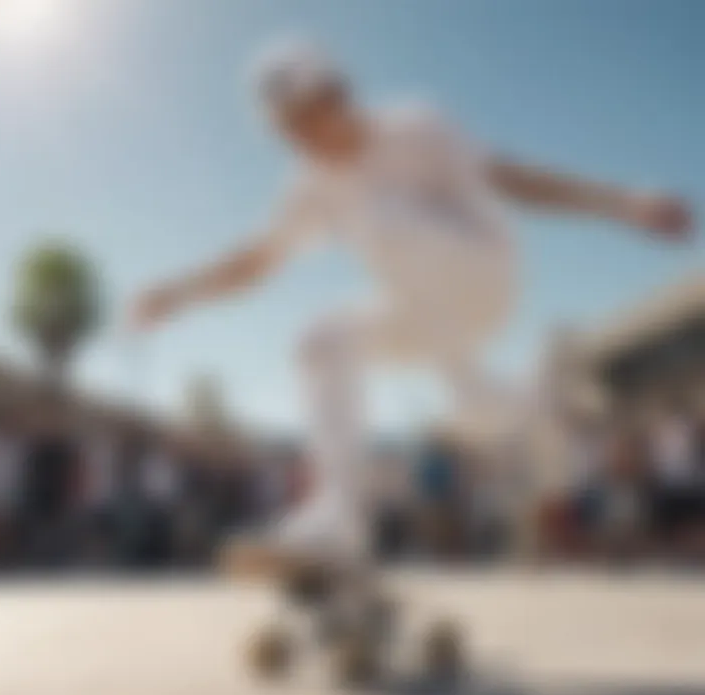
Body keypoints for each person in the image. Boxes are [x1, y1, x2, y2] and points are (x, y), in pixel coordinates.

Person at [129, 42, 692, 578]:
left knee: (389, 229)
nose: (301, 141)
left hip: (484, 274)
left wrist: (624, 204)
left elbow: (514, 179)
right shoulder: (310, 186)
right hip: (423, 314)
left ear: (338, 93)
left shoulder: (416, 126)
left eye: (307, 118)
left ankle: (501, 404)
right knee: (324, 343)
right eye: (287, 132)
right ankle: (341, 518)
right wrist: (179, 294)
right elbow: (256, 259)